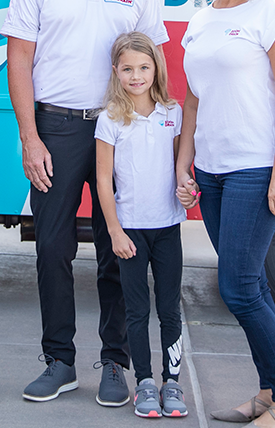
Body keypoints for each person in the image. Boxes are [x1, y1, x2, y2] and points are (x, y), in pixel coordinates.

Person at [2, 0, 167, 406]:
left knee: (121, 249)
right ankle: (60, 361)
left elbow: (153, 58)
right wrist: (30, 136)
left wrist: (157, 135)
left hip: (120, 130)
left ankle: (115, 362)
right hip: (56, 126)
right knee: (53, 247)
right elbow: (19, 58)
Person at [173, 0, 275, 428]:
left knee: (238, 288)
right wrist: (185, 164)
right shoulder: (203, 17)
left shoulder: (270, 13)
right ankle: (271, 392)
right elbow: (193, 100)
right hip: (212, 171)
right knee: (253, 285)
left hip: (255, 169)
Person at [93, 32, 189, 419]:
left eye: (144, 67)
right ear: (116, 71)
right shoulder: (109, 119)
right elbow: (103, 181)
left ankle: (172, 382)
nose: (137, 76)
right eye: (128, 68)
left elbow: (182, 169)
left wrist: (189, 189)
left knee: (169, 310)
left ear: (156, 69)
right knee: (136, 311)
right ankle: (145, 383)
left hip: (167, 228)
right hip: (130, 231)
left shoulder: (172, 113)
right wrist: (115, 231)